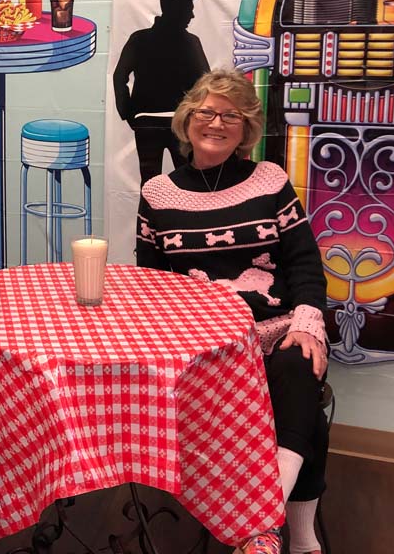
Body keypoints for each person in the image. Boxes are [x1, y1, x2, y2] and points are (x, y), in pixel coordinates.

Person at [134, 70, 327, 554]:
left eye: (231, 116)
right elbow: (152, 282)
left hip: (274, 328)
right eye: (206, 112)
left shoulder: (270, 180)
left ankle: (270, 523)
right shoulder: (157, 193)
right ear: (187, 119)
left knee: (300, 366)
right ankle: (293, 534)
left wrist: (308, 322)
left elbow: (303, 260)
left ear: (246, 130)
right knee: (308, 418)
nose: (216, 123)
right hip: (201, 342)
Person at [112, 0, 210, 185]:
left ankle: (147, 217)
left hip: (147, 122)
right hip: (180, 122)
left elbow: (119, 76)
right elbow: (206, 83)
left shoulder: (139, 39)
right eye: (189, 8)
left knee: (149, 184)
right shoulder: (191, 42)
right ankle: (182, 217)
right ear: (177, 10)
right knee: (187, 183)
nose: (192, 15)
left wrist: (129, 113)